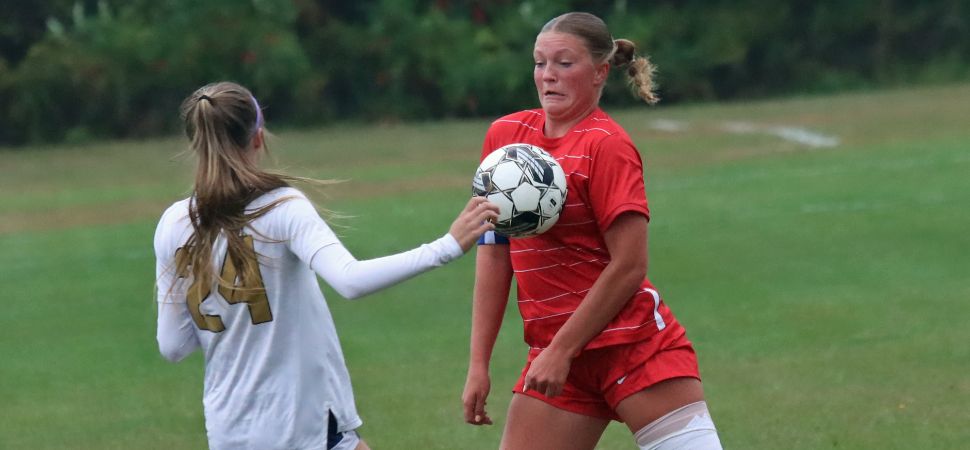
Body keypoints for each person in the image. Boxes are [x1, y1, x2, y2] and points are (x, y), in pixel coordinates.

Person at [154, 81, 499, 450]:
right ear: (258, 136)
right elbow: (349, 280)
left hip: (229, 431)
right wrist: (444, 247)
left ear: (197, 142)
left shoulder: (173, 224)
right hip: (301, 422)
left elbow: (172, 345)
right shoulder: (281, 206)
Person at [461, 12, 723, 450]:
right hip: (556, 356)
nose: (548, 76)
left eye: (565, 63)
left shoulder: (607, 145)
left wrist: (562, 350)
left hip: (633, 347)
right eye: (540, 63)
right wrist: (478, 364)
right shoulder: (505, 139)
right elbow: (494, 250)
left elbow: (630, 265)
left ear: (601, 71)